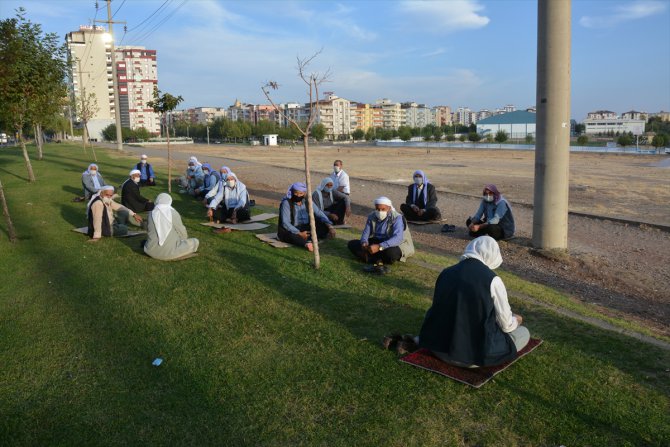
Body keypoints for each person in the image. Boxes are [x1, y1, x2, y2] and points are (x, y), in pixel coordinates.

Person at [418, 236, 530, 367]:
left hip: (437, 349)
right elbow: (506, 325)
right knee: (523, 333)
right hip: (472, 357)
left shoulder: (446, 272)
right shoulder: (492, 280)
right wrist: (516, 319)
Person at [348, 196, 415, 273]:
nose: (380, 212)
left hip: (394, 245)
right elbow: (366, 233)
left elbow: (398, 238)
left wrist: (379, 246)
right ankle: (377, 260)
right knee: (352, 244)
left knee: (391, 253)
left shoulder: (397, 218)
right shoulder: (372, 216)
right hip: (378, 242)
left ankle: (371, 258)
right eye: (377, 209)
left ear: (389, 208)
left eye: (383, 209)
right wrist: (364, 243)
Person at [278, 182, 336, 251]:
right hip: (292, 228)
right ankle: (306, 244)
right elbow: (285, 222)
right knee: (290, 235)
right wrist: (299, 233)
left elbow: (319, 212)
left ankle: (308, 238)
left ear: (304, 193)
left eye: (301, 193)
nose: (298, 195)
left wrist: (330, 226)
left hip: (305, 227)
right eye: (296, 193)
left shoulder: (307, 201)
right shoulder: (286, 203)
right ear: (292, 192)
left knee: (323, 225)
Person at [144, 193, 200, 260]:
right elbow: (181, 231)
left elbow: (149, 229)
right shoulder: (173, 213)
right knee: (195, 241)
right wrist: (183, 240)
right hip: (169, 253)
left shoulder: (151, 213)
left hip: (150, 250)